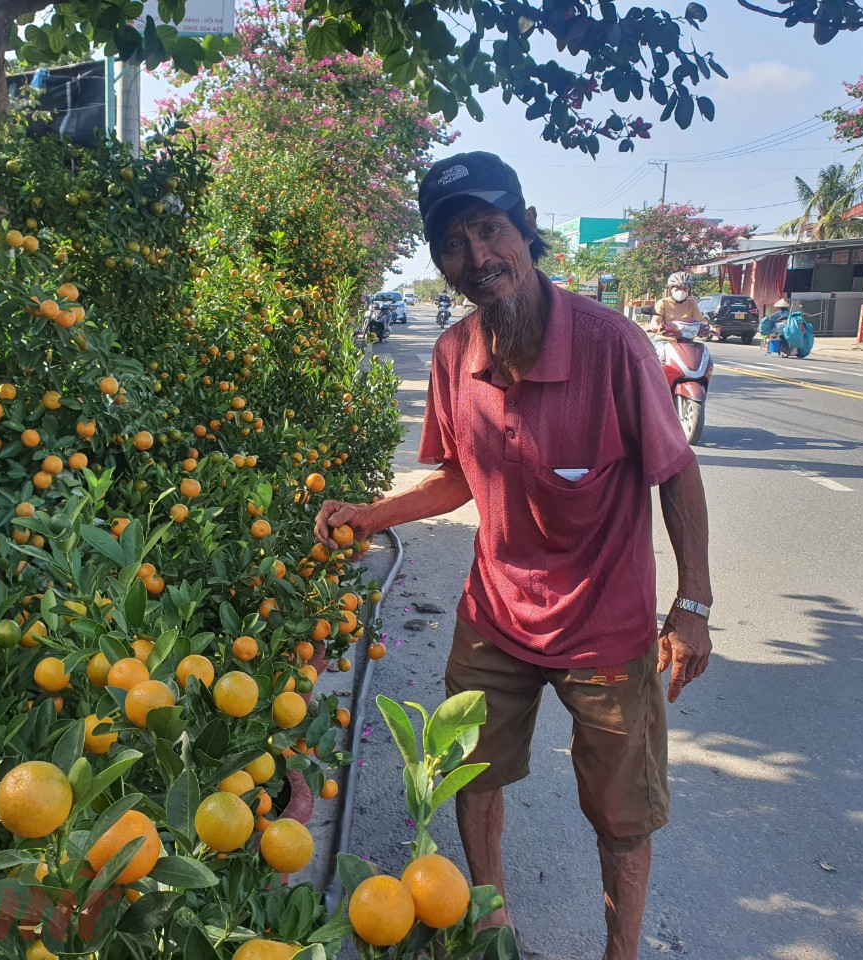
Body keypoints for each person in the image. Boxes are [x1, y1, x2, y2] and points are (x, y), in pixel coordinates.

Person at [313, 151, 713, 960]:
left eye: (490, 230)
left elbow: (675, 472)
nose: (478, 257)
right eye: (454, 245)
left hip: (607, 631)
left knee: (620, 811)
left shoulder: (613, 347)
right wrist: (372, 513)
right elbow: (458, 473)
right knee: (472, 773)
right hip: (495, 618)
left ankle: (620, 951)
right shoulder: (453, 354)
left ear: (527, 230)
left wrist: (693, 605)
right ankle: (491, 915)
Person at [649, 272, 703, 336]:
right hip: (665, 340)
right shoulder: (663, 302)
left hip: (687, 339)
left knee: (702, 346)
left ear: (689, 289)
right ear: (670, 288)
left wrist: (710, 328)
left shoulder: (691, 303)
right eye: (678, 288)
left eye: (684, 288)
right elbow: (656, 320)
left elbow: (700, 320)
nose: (681, 291)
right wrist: (655, 326)